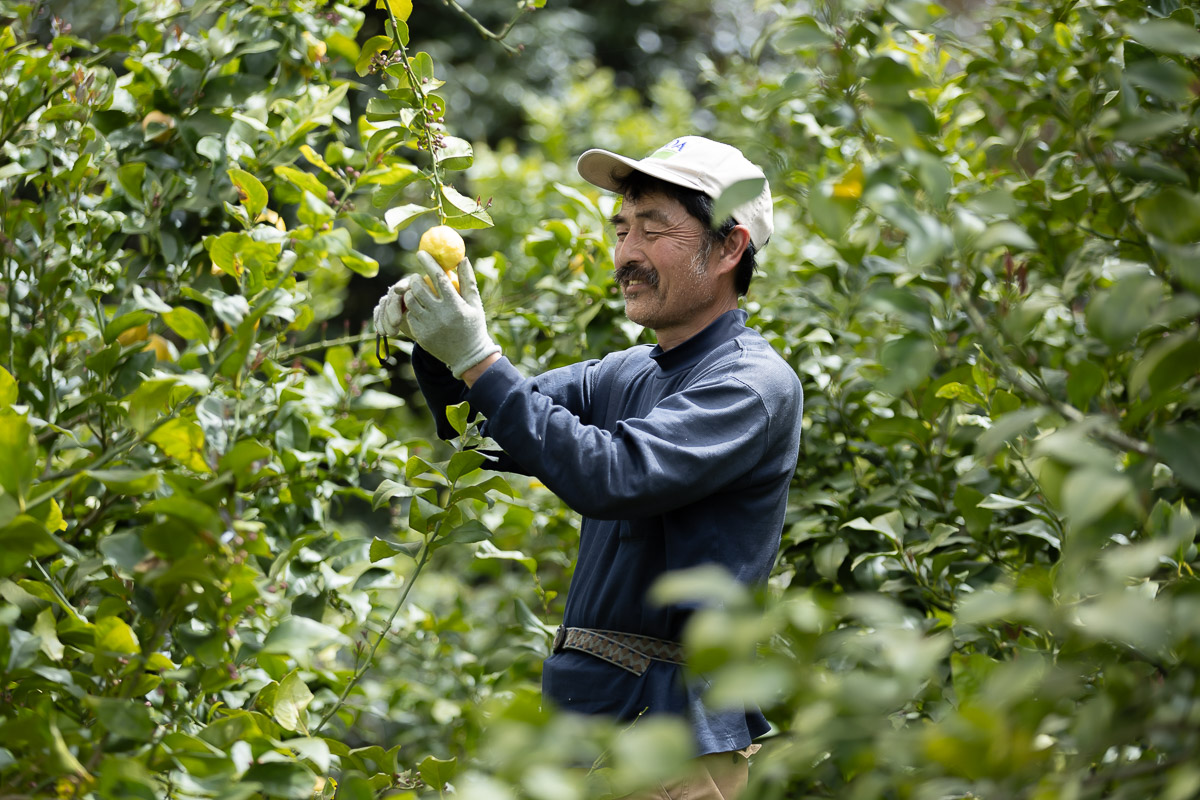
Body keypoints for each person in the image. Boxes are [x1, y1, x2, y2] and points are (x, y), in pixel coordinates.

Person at [373, 136, 803, 799]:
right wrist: (438, 347)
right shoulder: (629, 369)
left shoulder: (750, 384)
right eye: (622, 229)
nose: (627, 253)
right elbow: (486, 433)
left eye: (653, 230)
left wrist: (479, 355)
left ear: (728, 248)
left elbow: (614, 477)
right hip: (590, 726)